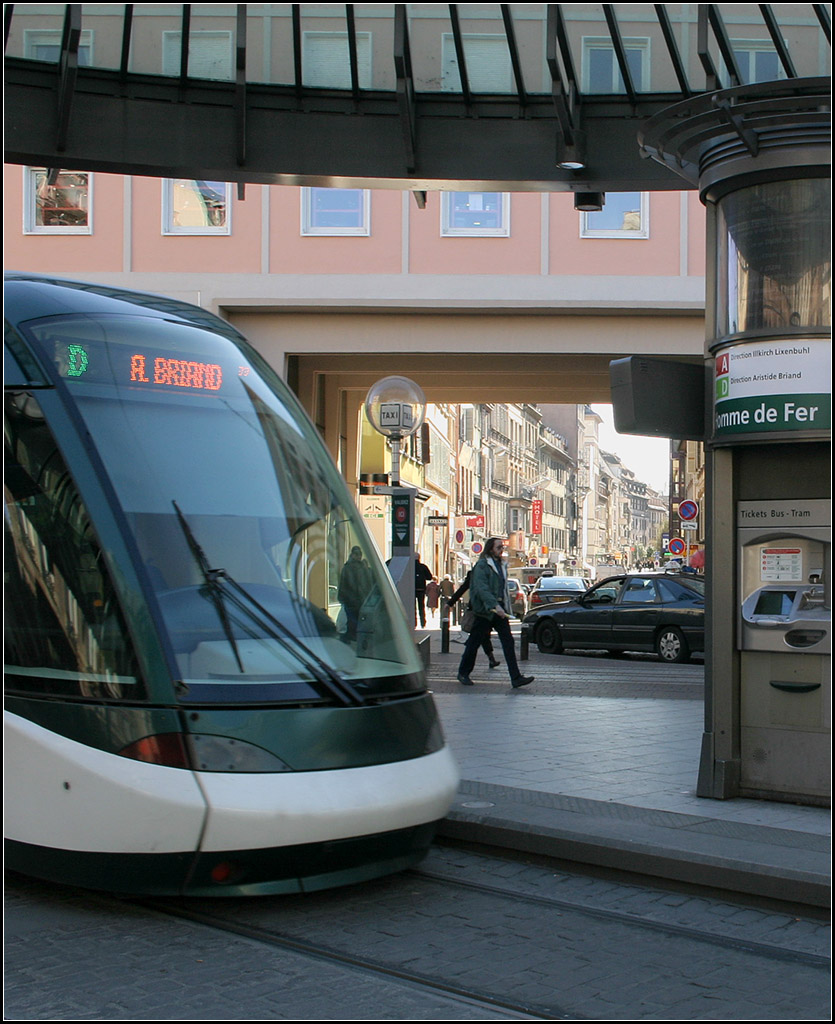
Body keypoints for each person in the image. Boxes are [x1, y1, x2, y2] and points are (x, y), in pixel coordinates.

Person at [457, 538, 534, 689]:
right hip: (485, 611)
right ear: (490, 549)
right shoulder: (482, 566)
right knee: (474, 643)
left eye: (502, 547)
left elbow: (502, 588)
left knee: (508, 642)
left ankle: (516, 677)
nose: (501, 550)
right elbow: (481, 588)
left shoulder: (500, 564)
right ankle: (463, 672)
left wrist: (503, 607)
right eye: (499, 547)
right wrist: (494, 605)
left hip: (499, 611)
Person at [447, 569, 500, 668]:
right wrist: (451, 602)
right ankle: (489, 659)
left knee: (483, 636)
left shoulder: (491, 572)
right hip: (477, 610)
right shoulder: (474, 573)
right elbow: (463, 588)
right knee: (481, 637)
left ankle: (490, 659)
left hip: (487, 609)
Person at [337, 545, 372, 642]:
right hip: (359, 600)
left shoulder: (349, 567)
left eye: (359, 554)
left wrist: (342, 598)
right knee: (357, 621)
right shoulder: (361, 568)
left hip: (353, 601)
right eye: (357, 554)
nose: (358, 557)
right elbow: (367, 584)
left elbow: (343, 585)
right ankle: (356, 636)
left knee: (352, 621)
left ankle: (352, 636)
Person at [414, 557, 433, 628]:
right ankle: (423, 622)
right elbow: (429, 577)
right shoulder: (423, 567)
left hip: (412, 589)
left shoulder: (410, 567)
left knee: (413, 607)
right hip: (421, 589)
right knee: (421, 606)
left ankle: (414, 622)